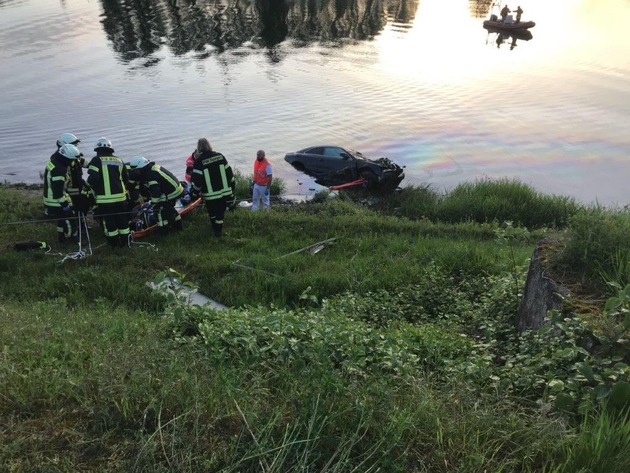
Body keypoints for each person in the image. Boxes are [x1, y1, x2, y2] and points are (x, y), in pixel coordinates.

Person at [87, 137, 131, 248]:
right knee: (123, 222)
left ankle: (114, 246)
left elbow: (92, 179)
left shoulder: (96, 160)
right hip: (121, 198)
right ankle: (126, 244)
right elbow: (126, 179)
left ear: (97, 149)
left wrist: (90, 188)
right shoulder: (119, 160)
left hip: (105, 200)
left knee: (109, 222)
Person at [128, 156, 184, 234]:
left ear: (141, 167)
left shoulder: (150, 174)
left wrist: (154, 203)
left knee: (158, 210)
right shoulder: (153, 168)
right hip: (177, 189)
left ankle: (163, 231)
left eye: (136, 171)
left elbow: (156, 192)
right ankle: (179, 226)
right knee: (169, 209)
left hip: (171, 193)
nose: (136, 173)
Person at [190, 138, 235, 237]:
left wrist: (194, 194)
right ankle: (218, 230)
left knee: (212, 213)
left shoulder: (199, 161)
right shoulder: (220, 156)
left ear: (199, 148)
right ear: (209, 145)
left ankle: (216, 231)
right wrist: (232, 186)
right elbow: (229, 173)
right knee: (220, 213)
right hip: (224, 192)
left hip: (210, 195)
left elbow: (196, 181)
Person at [43, 143, 82, 243]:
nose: (72, 162)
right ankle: (70, 239)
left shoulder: (53, 162)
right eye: (71, 160)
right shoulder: (59, 170)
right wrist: (64, 204)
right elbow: (57, 191)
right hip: (56, 200)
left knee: (61, 220)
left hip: (49, 198)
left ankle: (61, 237)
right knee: (70, 220)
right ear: (66, 158)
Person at [55, 133, 94, 215]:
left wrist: (97, 164)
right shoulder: (60, 159)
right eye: (74, 144)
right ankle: (79, 225)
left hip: (78, 186)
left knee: (84, 207)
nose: (76, 146)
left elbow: (84, 163)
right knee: (76, 210)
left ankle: (82, 223)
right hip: (70, 191)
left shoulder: (73, 155)